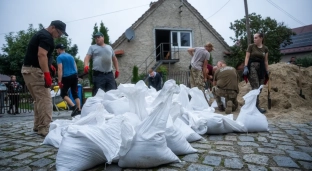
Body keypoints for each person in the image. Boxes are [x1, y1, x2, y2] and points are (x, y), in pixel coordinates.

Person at [21, 20, 68, 136]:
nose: (59, 36)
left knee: (39, 99)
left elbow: (41, 54)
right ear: (52, 27)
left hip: (28, 70)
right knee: (46, 99)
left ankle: (38, 126)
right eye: (59, 33)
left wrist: (49, 65)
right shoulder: (47, 37)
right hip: (35, 71)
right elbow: (41, 54)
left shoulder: (41, 34)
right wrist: (47, 74)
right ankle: (44, 128)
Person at [243, 33, 269, 114]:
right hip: (252, 66)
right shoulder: (251, 46)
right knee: (256, 87)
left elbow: (266, 61)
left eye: (256, 38)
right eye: (254, 38)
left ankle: (251, 104)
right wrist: (245, 67)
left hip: (261, 68)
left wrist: (267, 71)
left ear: (261, 38)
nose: (254, 39)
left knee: (260, 88)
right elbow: (247, 57)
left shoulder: (265, 48)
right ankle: (256, 106)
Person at [56, 44, 81, 117]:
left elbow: (60, 69)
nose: (57, 51)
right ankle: (79, 109)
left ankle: (74, 107)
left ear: (59, 49)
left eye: (57, 50)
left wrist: (59, 81)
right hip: (74, 76)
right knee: (74, 93)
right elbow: (75, 67)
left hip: (66, 77)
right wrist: (76, 75)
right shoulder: (71, 56)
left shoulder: (59, 57)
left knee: (63, 94)